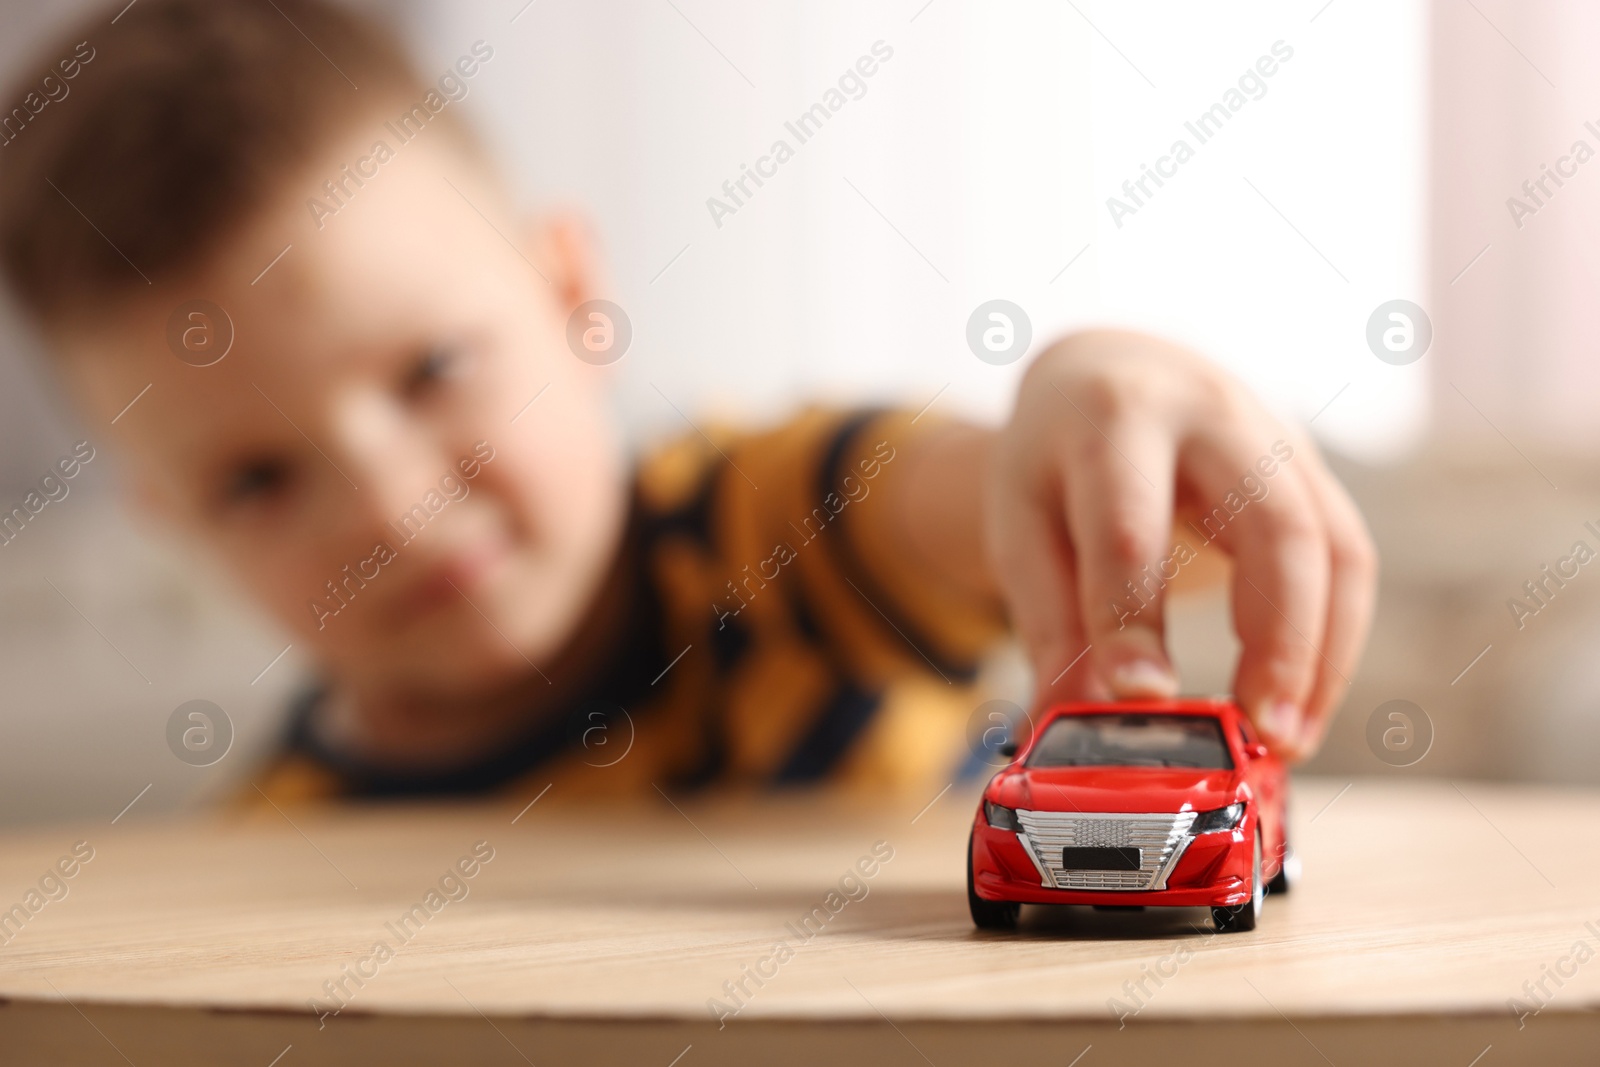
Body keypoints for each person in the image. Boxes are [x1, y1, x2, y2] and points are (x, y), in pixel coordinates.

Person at [0, 0, 1375, 803]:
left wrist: (1083, 420)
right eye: (258, 479)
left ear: (568, 293)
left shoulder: (761, 547)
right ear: (169, 519)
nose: (398, 510)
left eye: (432, 371)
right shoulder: (272, 845)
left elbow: (937, 510)